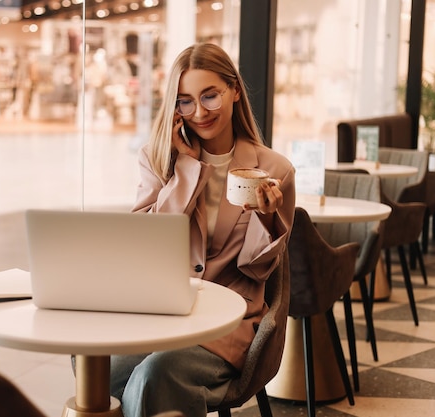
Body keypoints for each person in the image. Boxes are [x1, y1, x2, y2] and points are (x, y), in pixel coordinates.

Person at [110, 43, 296, 417]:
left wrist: (265, 216)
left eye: (210, 96)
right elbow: (144, 245)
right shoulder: (158, 159)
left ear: (235, 90)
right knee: (105, 368)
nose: (199, 112)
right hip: (165, 309)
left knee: (155, 375)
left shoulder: (274, 169)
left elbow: (258, 269)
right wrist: (186, 170)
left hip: (229, 322)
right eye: (185, 102)